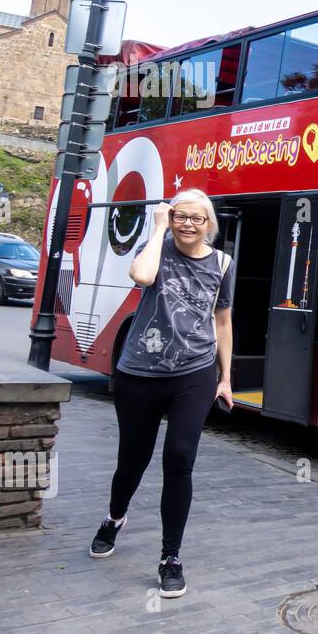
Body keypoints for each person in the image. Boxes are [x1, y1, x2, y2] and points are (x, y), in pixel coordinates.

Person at [89, 189, 236, 599]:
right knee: (132, 459)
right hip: (139, 371)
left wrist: (225, 376)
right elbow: (141, 277)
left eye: (197, 218)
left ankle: (170, 557)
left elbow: (222, 321)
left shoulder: (223, 263)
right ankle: (114, 518)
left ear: (210, 224)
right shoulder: (156, 248)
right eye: (180, 216)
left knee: (179, 458)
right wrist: (157, 229)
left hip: (194, 372)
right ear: (170, 218)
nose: (188, 224)